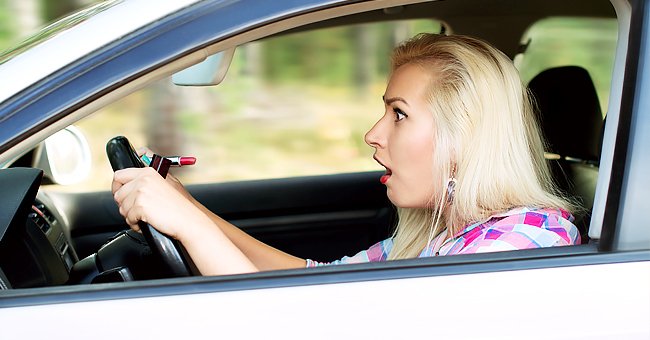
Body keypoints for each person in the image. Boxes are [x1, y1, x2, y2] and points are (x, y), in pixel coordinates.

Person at [112, 33, 580, 276]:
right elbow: (311, 281)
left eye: (398, 114)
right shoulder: (439, 232)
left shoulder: (527, 241)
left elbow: (291, 327)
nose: (372, 134)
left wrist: (189, 226)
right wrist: (189, 209)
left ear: (467, 135)